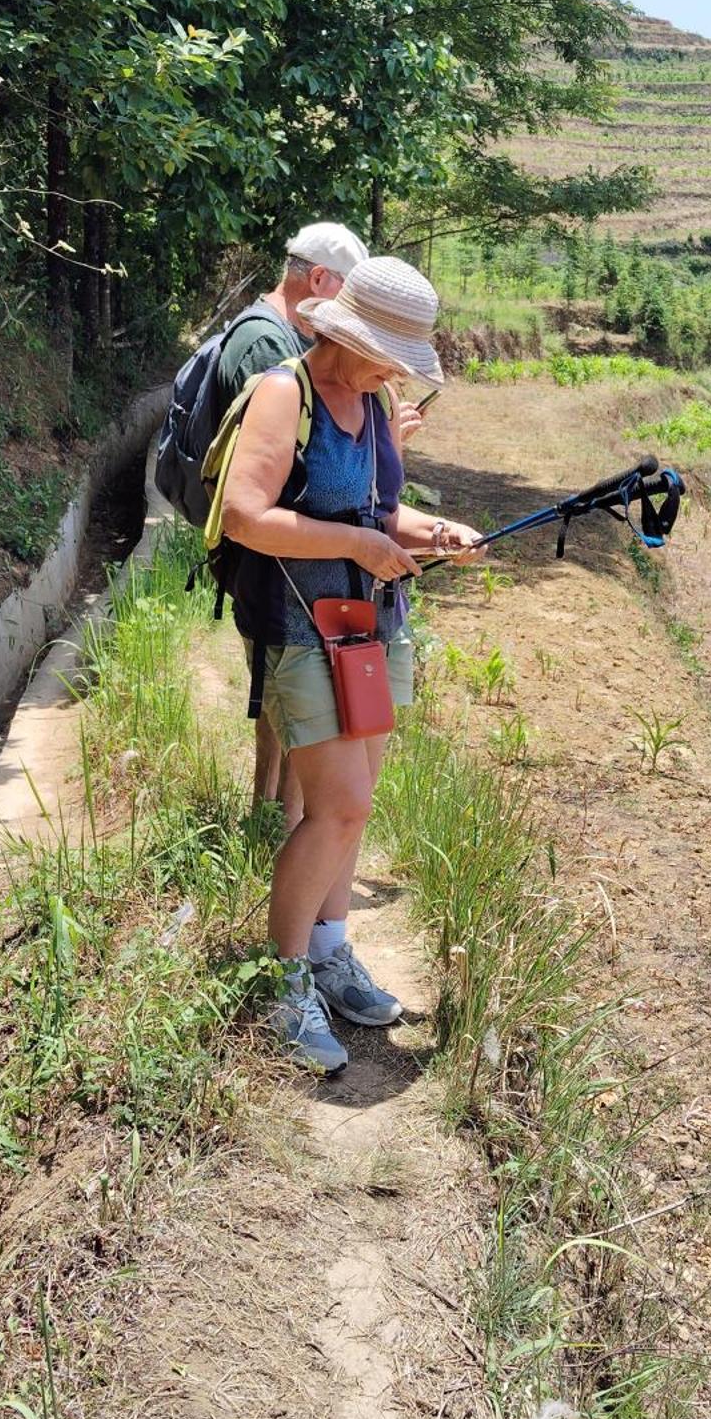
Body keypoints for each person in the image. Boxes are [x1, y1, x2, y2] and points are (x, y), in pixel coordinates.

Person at [221, 255, 481, 1076]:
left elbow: (375, 511)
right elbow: (245, 515)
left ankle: (329, 953)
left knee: (355, 810)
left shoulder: (373, 404)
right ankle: (284, 982)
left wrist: (430, 530)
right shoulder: (283, 393)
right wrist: (358, 543)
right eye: (387, 355)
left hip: (373, 628)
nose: (395, 373)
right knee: (334, 810)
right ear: (347, 335)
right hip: (304, 632)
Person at [220, 222, 369, 823]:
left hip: (286, 574)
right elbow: (258, 500)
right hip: (273, 574)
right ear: (318, 280)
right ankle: (272, 829)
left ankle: (273, 826)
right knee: (285, 712)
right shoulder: (272, 354)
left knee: (284, 717)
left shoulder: (272, 335)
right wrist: (356, 536)